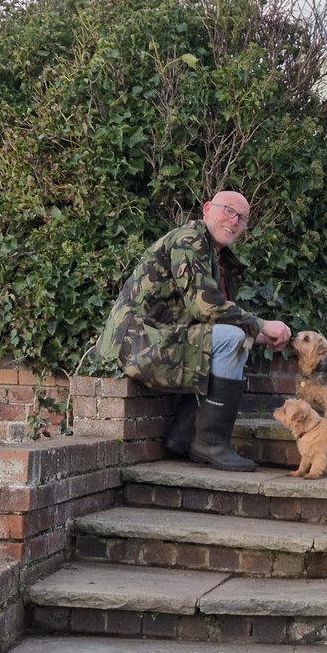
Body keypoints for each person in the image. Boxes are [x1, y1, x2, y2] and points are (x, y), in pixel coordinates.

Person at [98, 190, 292, 472]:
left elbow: (211, 321)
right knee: (234, 338)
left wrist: (259, 334)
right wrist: (260, 325)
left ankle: (182, 435)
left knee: (235, 338)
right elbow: (206, 308)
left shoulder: (216, 256)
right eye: (228, 210)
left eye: (242, 217)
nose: (234, 220)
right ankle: (210, 443)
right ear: (207, 209)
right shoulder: (188, 240)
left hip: (158, 338)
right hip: (138, 342)